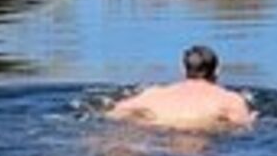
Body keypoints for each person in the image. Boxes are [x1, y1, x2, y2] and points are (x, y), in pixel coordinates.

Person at [107, 45, 256, 133]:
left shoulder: (154, 94)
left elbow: (114, 113)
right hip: (202, 135)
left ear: (183, 70)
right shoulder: (230, 100)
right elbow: (244, 128)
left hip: (160, 134)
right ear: (217, 71)